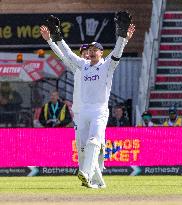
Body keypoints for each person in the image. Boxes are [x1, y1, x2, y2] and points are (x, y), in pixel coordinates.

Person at [40, 11, 135, 188]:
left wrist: (123, 37)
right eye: (88, 50)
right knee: (83, 149)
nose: (90, 52)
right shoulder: (81, 66)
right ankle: (95, 180)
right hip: (81, 113)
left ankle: (86, 174)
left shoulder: (107, 65)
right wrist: (57, 37)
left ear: (101, 52)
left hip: (99, 111)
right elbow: (66, 55)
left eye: (93, 50)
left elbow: (117, 53)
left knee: (95, 144)